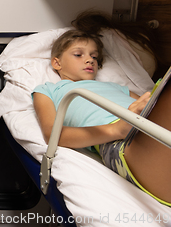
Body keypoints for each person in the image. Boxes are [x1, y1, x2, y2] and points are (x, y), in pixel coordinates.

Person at [32, 28, 171, 206]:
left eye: (94, 56)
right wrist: (116, 129)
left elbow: (151, 107)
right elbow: (52, 135)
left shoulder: (118, 87)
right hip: (120, 143)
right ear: (57, 63)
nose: (89, 59)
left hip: (148, 127)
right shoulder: (49, 90)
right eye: (78, 54)